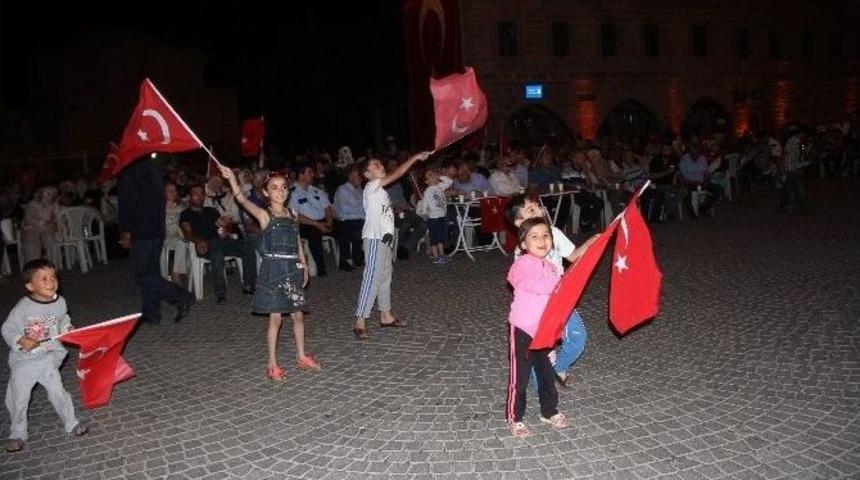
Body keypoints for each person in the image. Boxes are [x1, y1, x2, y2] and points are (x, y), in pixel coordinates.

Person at [219, 166, 319, 382]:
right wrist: (232, 180)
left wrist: (303, 264)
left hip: (292, 270)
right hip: (273, 272)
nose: (280, 191)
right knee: (276, 320)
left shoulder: (293, 214)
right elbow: (242, 201)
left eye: (283, 187)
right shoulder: (264, 215)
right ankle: (272, 363)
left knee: (298, 316)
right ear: (266, 192)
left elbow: (297, 241)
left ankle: (301, 356)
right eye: (274, 188)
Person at [506, 195, 597, 388]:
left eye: (537, 207)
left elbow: (572, 256)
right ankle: (541, 383)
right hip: (538, 307)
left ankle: (559, 367)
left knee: (577, 337)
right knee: (540, 345)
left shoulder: (554, 232)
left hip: (562, 299)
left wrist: (590, 244)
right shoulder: (521, 250)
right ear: (519, 223)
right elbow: (521, 283)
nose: (539, 210)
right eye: (531, 210)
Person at [2, 259, 89, 453]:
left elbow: (62, 317)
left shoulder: (60, 302)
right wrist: (19, 339)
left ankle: (71, 423)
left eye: (53, 277)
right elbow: (7, 328)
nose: (51, 282)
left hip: (47, 358)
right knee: (18, 398)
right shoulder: (24, 306)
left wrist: (67, 327)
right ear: (30, 285)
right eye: (43, 279)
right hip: (24, 361)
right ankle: (17, 434)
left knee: (59, 392)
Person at [352, 151, 430, 340]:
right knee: (371, 278)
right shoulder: (372, 186)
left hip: (386, 239)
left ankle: (385, 315)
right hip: (374, 239)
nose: (381, 166)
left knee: (385, 277)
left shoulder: (380, 191)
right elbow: (397, 174)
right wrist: (412, 158)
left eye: (381, 164)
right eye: (376, 165)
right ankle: (360, 321)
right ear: (367, 174)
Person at [506, 217, 569, 437]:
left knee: (546, 373)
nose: (542, 240)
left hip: (545, 330)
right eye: (534, 237)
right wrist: (558, 284)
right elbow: (526, 283)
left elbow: (556, 301)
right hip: (523, 329)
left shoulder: (552, 267)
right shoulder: (521, 264)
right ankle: (515, 417)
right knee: (520, 377)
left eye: (546, 235)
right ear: (523, 244)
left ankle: (549, 410)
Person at [119, 158, 195, 324]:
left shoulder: (132, 172)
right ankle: (151, 312)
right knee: (150, 272)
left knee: (142, 275)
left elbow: (129, 204)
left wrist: (126, 230)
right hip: (155, 229)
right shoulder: (153, 169)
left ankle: (181, 297)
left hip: (142, 230)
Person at [180, 184, 258, 305]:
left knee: (247, 247)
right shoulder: (186, 214)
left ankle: (248, 285)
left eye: (201, 194)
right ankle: (220, 293)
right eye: (196, 194)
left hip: (220, 242)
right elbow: (187, 233)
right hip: (204, 245)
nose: (199, 196)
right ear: (190, 196)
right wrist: (198, 241)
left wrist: (227, 228)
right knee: (216, 251)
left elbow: (226, 224)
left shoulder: (210, 211)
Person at [289, 161, 334, 276]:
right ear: (301, 175)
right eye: (310, 172)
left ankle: (346, 259)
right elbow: (295, 215)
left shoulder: (316, 190)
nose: (313, 175)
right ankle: (320, 267)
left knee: (346, 225)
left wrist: (329, 221)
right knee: (314, 232)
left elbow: (327, 207)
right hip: (303, 224)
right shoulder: (292, 192)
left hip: (322, 221)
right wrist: (317, 224)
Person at [332, 165, 365, 271]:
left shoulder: (360, 189)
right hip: (344, 220)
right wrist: (361, 211)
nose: (360, 178)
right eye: (357, 175)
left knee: (365, 224)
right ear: (350, 176)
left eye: (360, 176)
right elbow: (344, 210)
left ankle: (358, 255)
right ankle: (345, 259)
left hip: (358, 219)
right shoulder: (342, 189)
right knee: (354, 226)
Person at [419, 168, 453, 263]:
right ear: (426, 181)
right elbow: (424, 204)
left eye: (432, 173)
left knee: (441, 236)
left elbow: (450, 181)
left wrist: (439, 176)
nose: (432, 176)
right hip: (433, 217)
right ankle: (436, 255)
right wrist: (425, 214)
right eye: (429, 175)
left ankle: (442, 254)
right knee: (434, 237)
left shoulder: (440, 187)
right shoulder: (428, 191)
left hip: (442, 215)